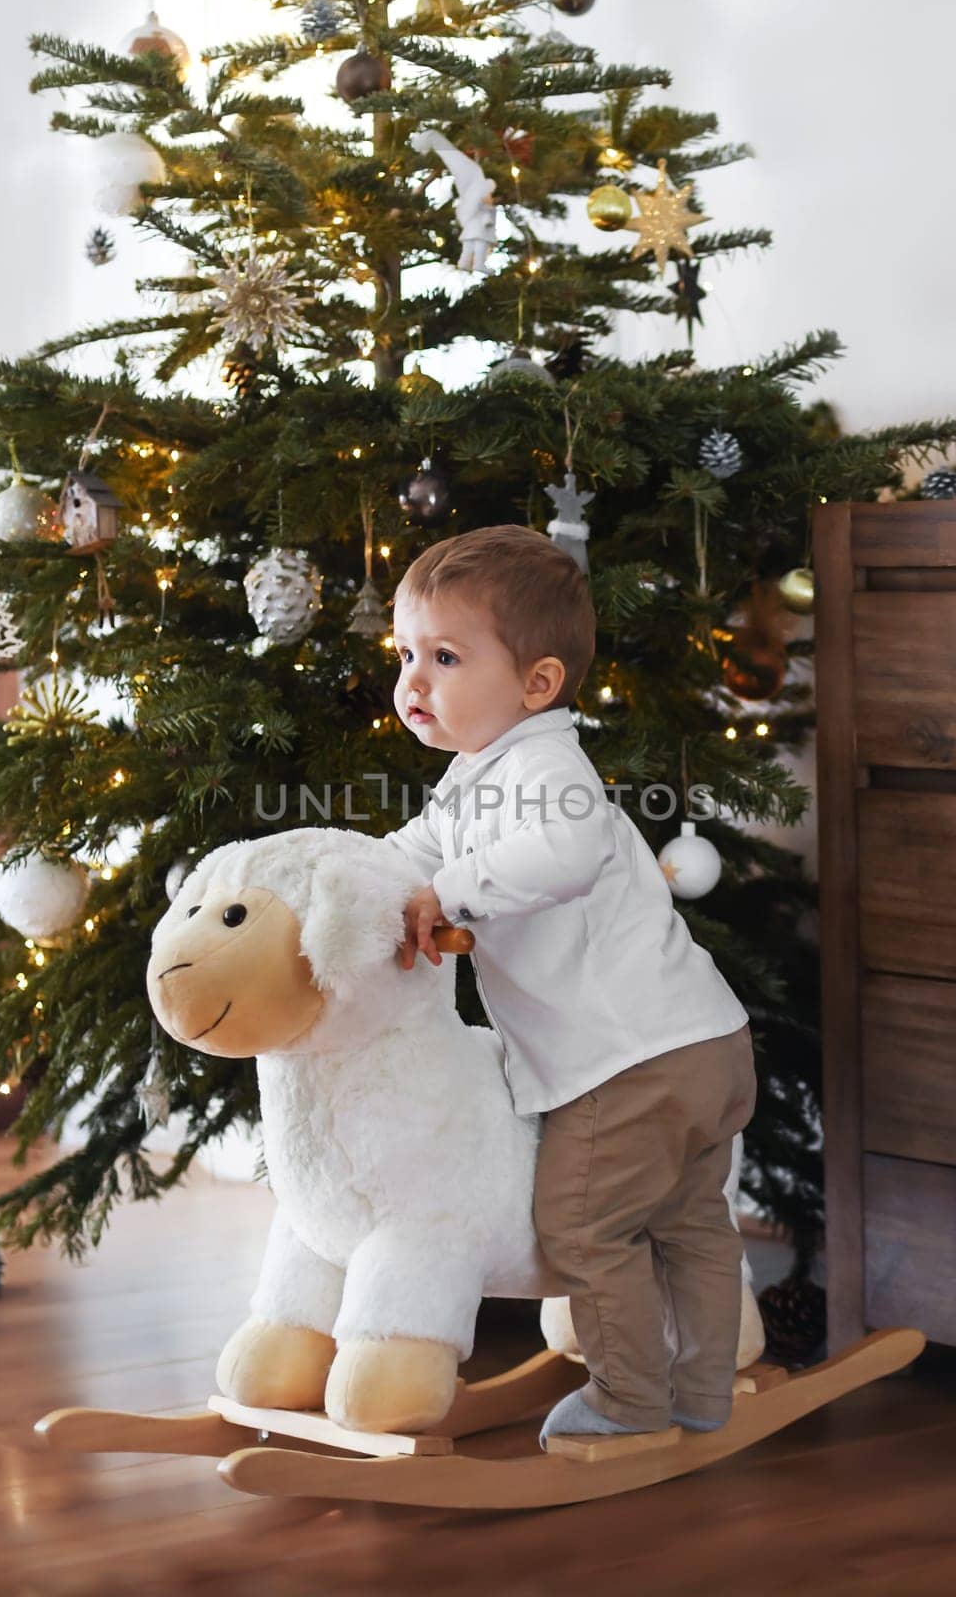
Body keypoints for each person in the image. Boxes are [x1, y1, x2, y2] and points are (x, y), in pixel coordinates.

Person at [379, 524, 757, 1448]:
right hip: (703, 1039)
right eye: (404, 655)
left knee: (582, 1229)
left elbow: (567, 853)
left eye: (444, 656)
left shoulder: (546, 771)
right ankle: (702, 1391)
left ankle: (629, 1403)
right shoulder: (476, 777)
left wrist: (449, 892)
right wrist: (345, 889)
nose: (413, 684)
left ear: (537, 683)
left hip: (627, 1061)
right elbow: (408, 858)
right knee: (689, 1224)